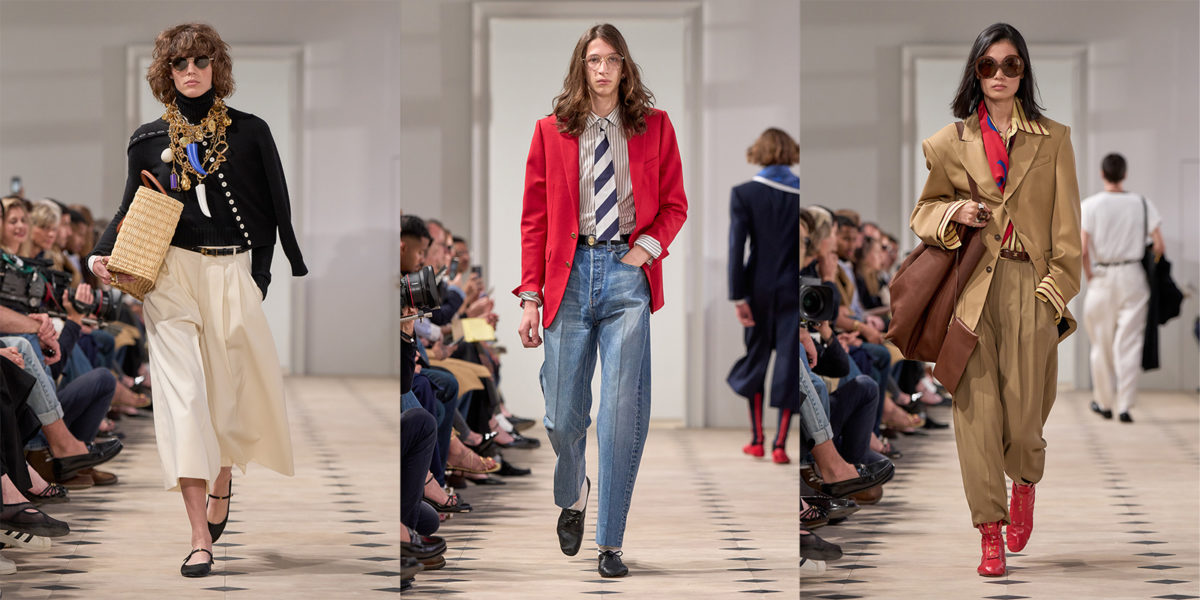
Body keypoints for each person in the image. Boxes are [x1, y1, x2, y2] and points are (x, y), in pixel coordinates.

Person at [86, 23, 306, 577]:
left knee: (227, 399)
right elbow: (129, 204)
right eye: (180, 63)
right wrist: (100, 253)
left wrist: (259, 278)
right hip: (170, 276)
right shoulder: (146, 139)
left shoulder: (250, 132)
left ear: (216, 67)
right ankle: (198, 536)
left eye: (200, 61)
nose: (191, 71)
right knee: (182, 400)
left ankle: (222, 478)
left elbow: (273, 209)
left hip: (232, 271)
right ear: (167, 71)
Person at [514, 23, 687, 578]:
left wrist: (645, 250)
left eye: (613, 59)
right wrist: (530, 297)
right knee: (563, 417)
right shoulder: (551, 131)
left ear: (625, 67)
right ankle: (574, 491)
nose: (604, 68)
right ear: (581, 67)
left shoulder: (655, 127)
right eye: (594, 59)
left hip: (625, 277)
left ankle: (610, 542)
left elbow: (675, 204)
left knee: (618, 413)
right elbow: (535, 220)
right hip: (566, 277)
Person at [909, 23, 1081, 577]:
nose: (999, 74)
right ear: (976, 73)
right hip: (972, 292)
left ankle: (1024, 481)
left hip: (1031, 287)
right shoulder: (947, 141)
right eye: (988, 65)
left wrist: (1055, 293)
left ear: (1023, 71)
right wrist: (953, 211)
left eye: (1010, 64)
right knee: (975, 415)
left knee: (1026, 418)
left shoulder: (1053, 139)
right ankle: (989, 532)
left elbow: (1068, 229)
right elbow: (922, 213)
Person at [726, 127, 800, 464]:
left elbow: (736, 248)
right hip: (793, 289)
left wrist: (738, 296)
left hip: (757, 288)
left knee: (756, 359)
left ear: (759, 152)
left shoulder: (744, 193)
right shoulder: (801, 192)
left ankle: (757, 439)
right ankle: (781, 445)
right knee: (788, 362)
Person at [1081, 153, 1163, 424]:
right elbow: (1159, 245)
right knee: (1129, 343)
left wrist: (1090, 276)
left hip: (1102, 276)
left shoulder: (1090, 205)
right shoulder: (1142, 203)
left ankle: (1104, 403)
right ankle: (1125, 406)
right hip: (1132, 276)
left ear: (1102, 174)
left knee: (1100, 343)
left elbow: (1082, 249)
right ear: (1125, 174)